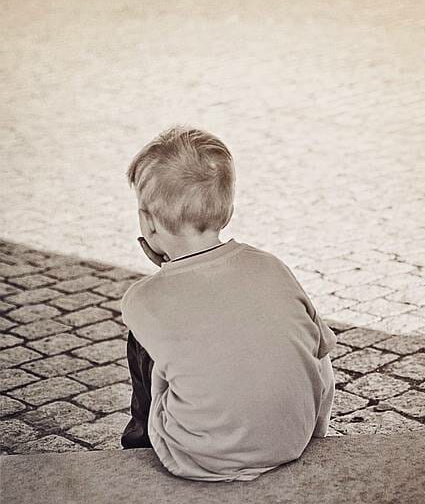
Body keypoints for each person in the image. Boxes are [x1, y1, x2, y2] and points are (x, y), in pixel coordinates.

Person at [119, 126, 336, 482]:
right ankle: (310, 428)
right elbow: (321, 347)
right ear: (229, 210)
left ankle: (141, 441)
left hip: (199, 455)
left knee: (145, 336)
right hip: (291, 439)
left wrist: (168, 274)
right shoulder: (270, 266)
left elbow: (183, 312)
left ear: (148, 222)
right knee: (315, 340)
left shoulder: (143, 298)